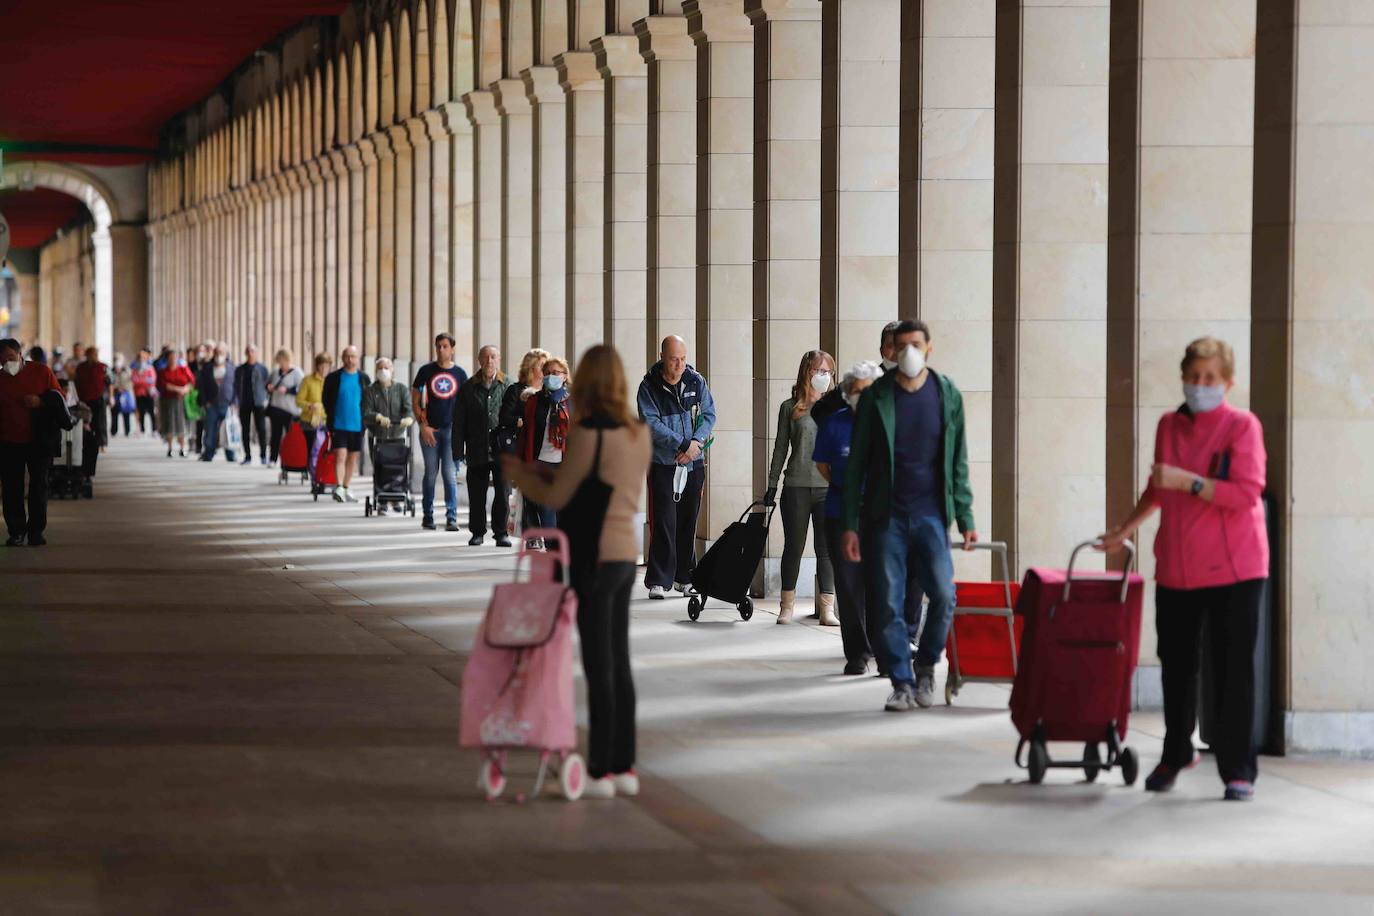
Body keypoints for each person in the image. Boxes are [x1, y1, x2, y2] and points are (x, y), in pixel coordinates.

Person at [1100, 337, 1267, 802]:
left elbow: (1245, 494)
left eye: (1210, 379)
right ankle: (1176, 752)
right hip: (1178, 564)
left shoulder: (1242, 427)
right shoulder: (1169, 425)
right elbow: (1157, 487)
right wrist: (1125, 529)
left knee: (1233, 670)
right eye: (1193, 377)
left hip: (1235, 568)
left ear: (1228, 382)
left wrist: (1190, 482)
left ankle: (1238, 769)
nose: (1200, 386)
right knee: (1177, 666)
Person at [501, 344, 652, 800]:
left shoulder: (588, 433)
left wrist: (519, 475)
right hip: (626, 552)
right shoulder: (637, 433)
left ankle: (601, 769)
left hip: (593, 556)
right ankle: (625, 765)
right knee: (619, 661)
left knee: (599, 663)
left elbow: (562, 493)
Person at [841, 320, 978, 712]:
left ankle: (926, 665)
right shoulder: (876, 398)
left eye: (915, 344)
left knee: (944, 594)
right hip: (887, 517)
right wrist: (851, 524)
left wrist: (966, 517)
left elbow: (958, 462)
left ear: (929, 347)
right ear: (890, 352)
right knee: (887, 602)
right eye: (901, 346)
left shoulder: (946, 394)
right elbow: (857, 468)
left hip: (932, 515)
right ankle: (901, 681)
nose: (908, 353)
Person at [814, 361, 884, 674]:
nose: (862, 398)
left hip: (881, 514)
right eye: (856, 392)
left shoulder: (890, 423)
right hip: (840, 514)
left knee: (882, 584)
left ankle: (886, 649)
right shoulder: (835, 423)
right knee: (849, 585)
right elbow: (825, 466)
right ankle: (857, 653)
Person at [637, 335, 717, 599]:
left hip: (693, 464)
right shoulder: (649, 386)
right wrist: (681, 444)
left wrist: (695, 443)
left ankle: (685, 576)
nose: (679, 365)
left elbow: (708, 415)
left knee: (687, 521)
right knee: (664, 521)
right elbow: (651, 423)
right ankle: (659, 580)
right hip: (664, 464)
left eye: (682, 359)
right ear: (662, 357)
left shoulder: (696, 381)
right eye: (673, 359)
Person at [766, 349, 838, 625]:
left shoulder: (836, 406)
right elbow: (780, 448)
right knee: (793, 547)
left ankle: (827, 608)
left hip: (828, 488)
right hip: (796, 485)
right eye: (818, 371)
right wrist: (772, 484)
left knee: (826, 549)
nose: (823, 376)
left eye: (828, 371)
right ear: (806, 373)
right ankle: (787, 605)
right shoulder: (790, 407)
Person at [0, 338, 63, 546]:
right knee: (11, 488)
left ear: (20, 355)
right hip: (8, 441)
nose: (6, 363)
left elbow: (59, 397)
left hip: (38, 439)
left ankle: (36, 530)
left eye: (10, 357)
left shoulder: (41, 372)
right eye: (2, 361)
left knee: (39, 485)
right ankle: (16, 531)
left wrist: (40, 401)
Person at [411, 332, 469, 531]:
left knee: (449, 474)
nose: (441, 350)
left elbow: (465, 405)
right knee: (430, 473)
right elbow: (415, 399)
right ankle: (428, 515)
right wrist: (422, 425)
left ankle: (451, 517)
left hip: (452, 431)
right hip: (430, 430)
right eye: (438, 346)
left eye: (445, 346)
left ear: (452, 349)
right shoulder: (425, 371)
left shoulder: (460, 374)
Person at [455, 345, 512, 546]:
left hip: (502, 451)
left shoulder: (508, 385)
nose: (489, 361)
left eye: (493, 357)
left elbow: (516, 417)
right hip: (476, 448)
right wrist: (457, 450)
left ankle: (501, 533)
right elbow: (459, 422)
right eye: (486, 357)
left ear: (499, 359)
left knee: (503, 494)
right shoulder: (468, 388)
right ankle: (477, 532)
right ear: (479, 360)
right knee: (477, 495)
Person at [499, 348, 551, 536]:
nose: (546, 370)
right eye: (541, 367)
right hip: (525, 448)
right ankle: (532, 533)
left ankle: (546, 532)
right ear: (531, 369)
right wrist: (521, 421)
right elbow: (505, 417)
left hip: (546, 450)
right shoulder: (516, 390)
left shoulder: (550, 393)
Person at [519, 355, 571, 539]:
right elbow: (526, 433)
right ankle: (552, 553)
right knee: (547, 513)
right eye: (547, 373)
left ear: (565, 376)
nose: (551, 376)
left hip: (566, 466)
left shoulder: (572, 403)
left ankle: (563, 558)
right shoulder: (534, 401)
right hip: (541, 464)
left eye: (555, 373)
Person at [322, 345, 370, 503]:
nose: (350, 360)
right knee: (340, 455)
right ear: (342, 358)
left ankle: (347, 486)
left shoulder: (363, 378)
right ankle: (340, 487)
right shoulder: (334, 377)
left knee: (353, 457)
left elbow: (368, 400)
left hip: (357, 425)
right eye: (347, 356)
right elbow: (326, 399)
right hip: (339, 424)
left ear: (358, 358)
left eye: (353, 356)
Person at [196, 343, 237, 463]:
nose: (219, 355)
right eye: (217, 352)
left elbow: (236, 386)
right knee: (210, 430)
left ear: (226, 353)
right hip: (211, 404)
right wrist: (205, 402)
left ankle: (230, 454)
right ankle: (209, 453)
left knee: (228, 430)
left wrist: (235, 402)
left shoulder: (232, 367)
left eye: (222, 352)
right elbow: (201, 386)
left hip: (227, 403)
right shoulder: (207, 367)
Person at [234, 344, 270, 466]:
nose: (250, 353)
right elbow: (235, 386)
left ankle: (264, 456)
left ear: (257, 353)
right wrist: (236, 401)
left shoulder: (263, 369)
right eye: (248, 351)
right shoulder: (240, 369)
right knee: (245, 430)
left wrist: (266, 400)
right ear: (246, 353)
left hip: (259, 403)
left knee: (261, 430)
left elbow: (268, 385)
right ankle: (247, 456)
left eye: (253, 351)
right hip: (244, 403)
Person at [266, 349, 303, 464]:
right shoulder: (275, 372)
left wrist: (288, 390)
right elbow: (267, 383)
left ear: (288, 360)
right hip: (276, 407)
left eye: (283, 362)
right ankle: (273, 458)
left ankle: (290, 459)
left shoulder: (297, 372)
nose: (281, 365)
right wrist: (269, 387)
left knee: (291, 436)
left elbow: (302, 389)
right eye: (279, 362)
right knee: (275, 435)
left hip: (291, 410)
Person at [156, 349, 195, 458]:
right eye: (171, 358)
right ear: (167, 359)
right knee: (169, 424)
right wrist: (177, 389)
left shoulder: (183, 369)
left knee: (181, 423)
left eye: (175, 357)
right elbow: (162, 385)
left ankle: (182, 447)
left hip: (182, 401)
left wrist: (186, 389)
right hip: (168, 401)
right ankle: (170, 448)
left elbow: (191, 381)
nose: (173, 360)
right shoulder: (163, 371)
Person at [363, 357, 413, 440]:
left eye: (386, 368)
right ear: (375, 371)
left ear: (392, 370)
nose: (383, 371)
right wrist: (378, 417)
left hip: (398, 434)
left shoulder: (401, 389)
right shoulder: (369, 391)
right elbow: (365, 411)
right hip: (376, 435)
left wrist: (409, 418)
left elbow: (409, 408)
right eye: (380, 368)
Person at [74, 346, 110, 452]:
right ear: (87, 355)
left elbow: (110, 382)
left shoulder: (103, 367)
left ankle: (102, 444)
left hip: (99, 398)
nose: (95, 356)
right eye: (93, 354)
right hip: (84, 399)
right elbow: (76, 382)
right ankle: (85, 443)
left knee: (100, 422)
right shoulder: (81, 367)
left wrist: (111, 396)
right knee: (86, 422)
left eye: (96, 354)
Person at [131, 349, 158, 437]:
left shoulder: (150, 368)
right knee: (141, 412)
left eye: (143, 358)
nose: (142, 359)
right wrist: (144, 381)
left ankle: (154, 429)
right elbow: (134, 380)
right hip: (139, 393)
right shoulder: (135, 369)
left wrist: (142, 381)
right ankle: (142, 429)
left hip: (149, 393)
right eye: (140, 358)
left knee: (151, 412)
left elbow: (152, 380)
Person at [109, 352, 135, 438]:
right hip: (115, 394)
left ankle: (127, 430)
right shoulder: (111, 371)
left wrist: (124, 388)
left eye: (119, 359)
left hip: (125, 393)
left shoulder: (127, 370)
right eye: (116, 359)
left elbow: (131, 381)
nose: (117, 361)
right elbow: (110, 383)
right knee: (114, 413)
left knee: (126, 412)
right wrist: (116, 388)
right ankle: (114, 430)